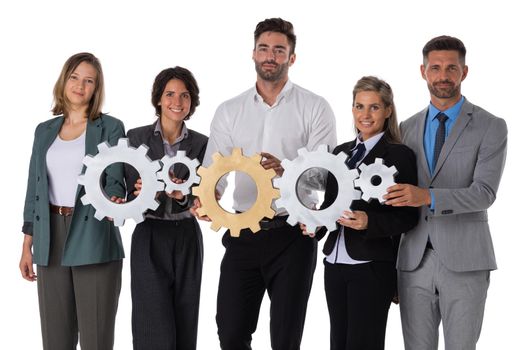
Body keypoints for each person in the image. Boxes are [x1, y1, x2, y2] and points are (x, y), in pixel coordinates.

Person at [193, 17, 337, 350]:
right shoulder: (230, 111)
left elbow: (322, 177)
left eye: (278, 49)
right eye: (263, 48)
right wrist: (207, 200)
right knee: (231, 333)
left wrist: (286, 171)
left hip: (293, 236)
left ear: (291, 57)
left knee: (285, 339)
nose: (270, 56)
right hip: (243, 233)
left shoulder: (315, 108)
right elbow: (214, 171)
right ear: (253, 54)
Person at [384, 35, 508, 350]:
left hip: (466, 260)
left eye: (451, 68)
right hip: (413, 261)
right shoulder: (405, 129)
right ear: (423, 71)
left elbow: (484, 193)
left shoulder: (490, 126)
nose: (443, 76)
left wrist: (428, 197)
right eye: (435, 68)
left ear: (464, 72)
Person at [19, 52, 125, 350]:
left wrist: (118, 199)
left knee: (96, 340)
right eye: (75, 77)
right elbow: (34, 188)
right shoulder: (44, 131)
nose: (80, 85)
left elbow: (116, 179)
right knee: (55, 340)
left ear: (96, 88)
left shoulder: (111, 127)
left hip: (93, 232)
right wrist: (28, 244)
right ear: (64, 80)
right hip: (49, 235)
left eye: (89, 80)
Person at [306, 76, 418, 350]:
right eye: (359, 106)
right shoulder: (341, 152)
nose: (365, 115)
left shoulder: (399, 155)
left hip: (371, 265)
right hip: (334, 263)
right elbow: (329, 205)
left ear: (388, 110)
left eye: (374, 107)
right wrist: (315, 224)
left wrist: (370, 221)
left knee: (363, 343)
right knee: (339, 343)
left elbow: (409, 216)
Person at [124, 66, 208, 350]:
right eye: (170, 94)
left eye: (185, 95)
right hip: (150, 233)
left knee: (186, 318)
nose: (177, 101)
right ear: (158, 98)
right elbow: (129, 190)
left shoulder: (202, 143)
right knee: (151, 322)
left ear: (192, 102)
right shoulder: (136, 138)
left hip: (187, 234)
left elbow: (201, 194)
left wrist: (179, 194)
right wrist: (153, 192)